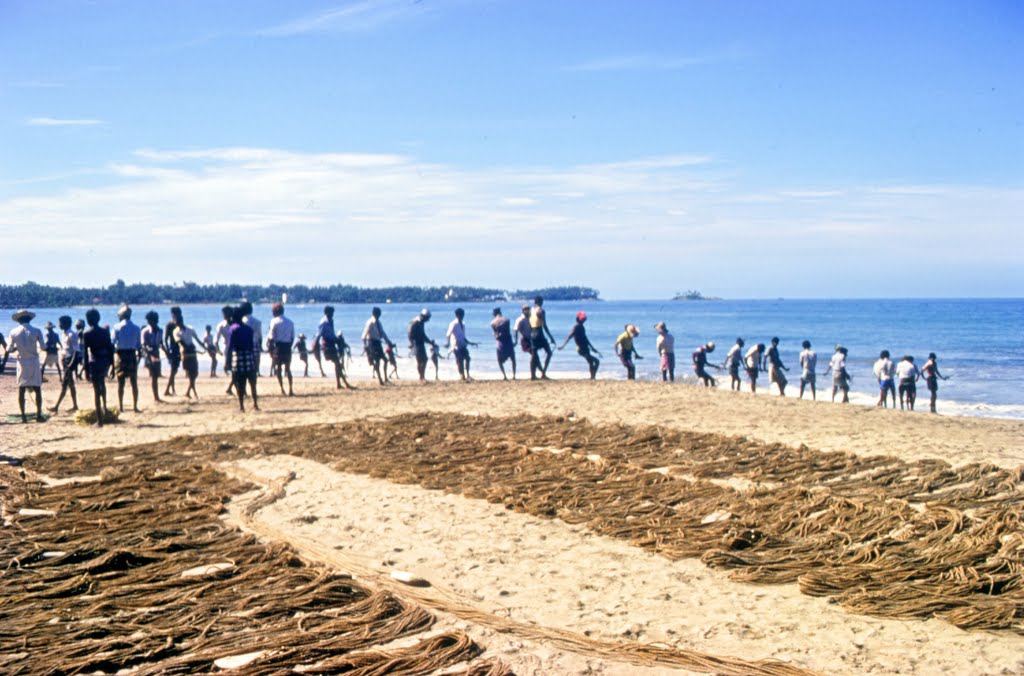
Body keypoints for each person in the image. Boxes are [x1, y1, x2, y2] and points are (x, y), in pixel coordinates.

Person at [8, 309, 46, 422]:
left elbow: (9, 349)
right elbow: (43, 347)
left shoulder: (13, 332)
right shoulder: (37, 331)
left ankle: (23, 415)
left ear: (18, 320)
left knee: (22, 389)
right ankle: (39, 414)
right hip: (34, 361)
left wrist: (16, 348)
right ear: (29, 319)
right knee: (37, 388)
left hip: (22, 362)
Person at [82, 308, 114, 426]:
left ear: (88, 320)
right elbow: (110, 349)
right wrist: (112, 366)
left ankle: (99, 420)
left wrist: (86, 370)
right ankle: (105, 408)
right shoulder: (104, 332)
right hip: (104, 361)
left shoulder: (87, 334)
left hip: (95, 362)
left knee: (96, 389)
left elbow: (85, 353)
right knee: (102, 385)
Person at [224, 306, 258, 412]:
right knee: (252, 383)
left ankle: (242, 406)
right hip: (249, 357)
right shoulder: (249, 329)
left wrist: (227, 362)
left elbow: (230, 347)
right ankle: (255, 404)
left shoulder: (233, 329)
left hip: (237, 357)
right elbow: (252, 346)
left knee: (240, 383)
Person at [314, 305, 353, 390]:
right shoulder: (323, 322)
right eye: (331, 313)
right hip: (327, 345)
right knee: (338, 364)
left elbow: (332, 334)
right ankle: (344, 384)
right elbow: (319, 335)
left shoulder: (331, 321)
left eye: (333, 313)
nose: (332, 314)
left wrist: (340, 342)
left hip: (332, 343)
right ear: (327, 313)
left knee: (337, 364)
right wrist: (315, 346)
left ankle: (339, 384)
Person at [113, 305, 142, 413]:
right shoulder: (136, 328)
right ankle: (135, 406)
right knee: (134, 382)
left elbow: (113, 343)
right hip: (131, 355)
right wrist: (138, 358)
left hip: (121, 355)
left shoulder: (116, 327)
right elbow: (139, 346)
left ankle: (121, 407)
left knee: (121, 383)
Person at [49, 315, 80, 414]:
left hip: (69, 361)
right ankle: (75, 406)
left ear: (66, 324)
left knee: (65, 384)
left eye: (60, 323)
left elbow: (76, 351)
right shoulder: (64, 334)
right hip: (65, 361)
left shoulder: (72, 334)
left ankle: (56, 406)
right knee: (70, 384)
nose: (59, 325)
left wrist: (71, 364)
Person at [559, 311, 601, 380]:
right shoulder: (576, 327)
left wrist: (592, 348)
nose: (584, 320)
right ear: (578, 319)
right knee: (596, 361)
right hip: (581, 349)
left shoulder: (582, 327)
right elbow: (570, 336)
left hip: (585, 348)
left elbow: (585, 338)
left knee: (591, 362)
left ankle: (592, 377)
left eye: (584, 319)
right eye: (582, 319)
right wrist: (563, 346)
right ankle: (593, 377)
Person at [173, 315, 206, 401]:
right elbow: (180, 343)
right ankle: (193, 392)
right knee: (191, 374)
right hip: (186, 354)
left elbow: (197, 340)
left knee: (194, 373)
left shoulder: (190, 329)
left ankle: (189, 392)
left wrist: (205, 347)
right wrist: (189, 347)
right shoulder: (176, 332)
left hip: (192, 354)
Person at [266, 302, 295, 396]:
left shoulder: (274, 321)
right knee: (288, 368)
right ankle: (290, 389)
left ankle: (282, 389)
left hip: (278, 347)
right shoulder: (290, 322)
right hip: (287, 347)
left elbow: (271, 337)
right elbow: (292, 338)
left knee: (278, 369)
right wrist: (289, 346)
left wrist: (270, 349)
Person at [362, 307, 394, 385]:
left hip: (378, 343)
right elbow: (363, 336)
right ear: (375, 314)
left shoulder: (378, 322)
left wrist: (388, 342)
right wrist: (365, 346)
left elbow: (382, 333)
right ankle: (380, 379)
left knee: (385, 360)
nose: (379, 315)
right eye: (378, 314)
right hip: (372, 343)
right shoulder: (370, 322)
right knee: (377, 362)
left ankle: (385, 378)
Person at [140, 310, 167, 403]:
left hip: (156, 353)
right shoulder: (145, 331)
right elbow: (143, 344)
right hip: (148, 354)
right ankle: (156, 397)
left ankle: (156, 396)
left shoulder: (160, 331)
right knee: (154, 376)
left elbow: (160, 343)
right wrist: (148, 350)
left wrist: (166, 352)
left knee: (156, 375)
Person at [529, 297, 557, 380]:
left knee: (534, 355)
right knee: (549, 352)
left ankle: (533, 376)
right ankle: (543, 373)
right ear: (541, 302)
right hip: (539, 332)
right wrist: (551, 337)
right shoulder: (541, 311)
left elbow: (530, 322)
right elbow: (544, 325)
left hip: (532, 332)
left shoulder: (531, 310)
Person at [446, 308, 477, 381]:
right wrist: (448, 343)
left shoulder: (463, 324)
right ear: (457, 315)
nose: (462, 316)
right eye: (461, 315)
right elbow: (448, 334)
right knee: (460, 360)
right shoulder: (453, 324)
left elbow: (463, 336)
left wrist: (470, 342)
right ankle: (462, 375)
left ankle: (468, 375)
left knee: (468, 358)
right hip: (456, 345)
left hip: (462, 344)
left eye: (463, 315)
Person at [408, 309, 436, 383]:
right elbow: (409, 333)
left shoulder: (421, 323)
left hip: (420, 343)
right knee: (420, 360)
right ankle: (421, 377)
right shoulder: (415, 322)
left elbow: (423, 335)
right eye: (427, 318)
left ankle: (422, 376)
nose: (428, 320)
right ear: (424, 317)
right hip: (416, 343)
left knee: (424, 360)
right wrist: (411, 343)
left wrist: (430, 342)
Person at [490, 308, 517, 380]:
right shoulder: (506, 320)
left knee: (499, 360)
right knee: (513, 359)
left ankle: (505, 375)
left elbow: (496, 334)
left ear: (494, 314)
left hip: (500, 342)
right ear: (500, 312)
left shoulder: (492, 323)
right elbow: (507, 331)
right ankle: (514, 375)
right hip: (508, 340)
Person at [163, 307, 182, 396]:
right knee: (173, 370)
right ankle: (168, 389)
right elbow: (166, 339)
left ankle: (172, 389)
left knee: (174, 370)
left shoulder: (179, 323)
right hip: (173, 349)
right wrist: (167, 350)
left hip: (178, 349)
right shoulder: (170, 325)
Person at [241, 301, 263, 377]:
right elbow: (260, 336)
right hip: (254, 343)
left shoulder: (241, 321)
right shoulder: (257, 322)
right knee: (256, 360)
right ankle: (257, 372)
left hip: (243, 344)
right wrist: (261, 346)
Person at [214, 305, 233, 378]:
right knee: (227, 366)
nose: (224, 315)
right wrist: (218, 350)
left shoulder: (235, 323)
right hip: (227, 348)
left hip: (236, 347)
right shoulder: (221, 325)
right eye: (224, 313)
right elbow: (216, 340)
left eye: (226, 313)